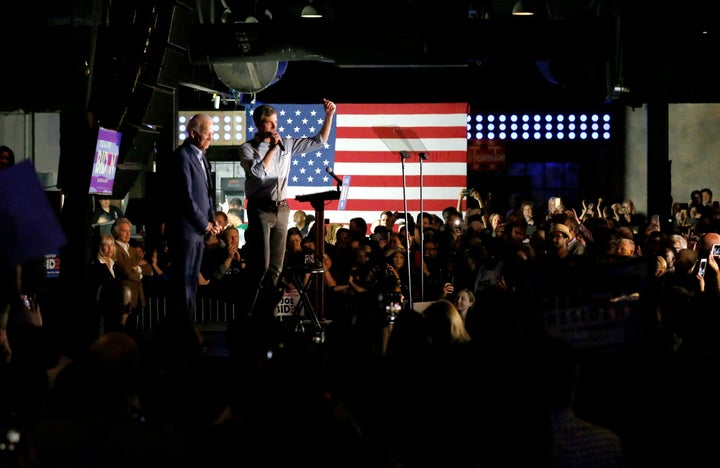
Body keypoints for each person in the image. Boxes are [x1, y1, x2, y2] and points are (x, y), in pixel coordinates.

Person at [239, 98, 336, 316]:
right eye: (269, 123)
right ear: (258, 125)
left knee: (276, 267)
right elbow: (257, 173)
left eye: (276, 122)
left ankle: (268, 314)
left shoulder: (288, 144)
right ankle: (248, 314)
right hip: (260, 209)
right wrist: (273, 149)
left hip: (281, 209)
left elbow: (319, 141)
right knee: (261, 265)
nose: (274, 127)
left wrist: (328, 116)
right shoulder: (248, 148)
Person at [164, 113, 222, 328]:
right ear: (193, 133)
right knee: (183, 285)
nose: (211, 139)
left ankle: (187, 330)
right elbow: (184, 197)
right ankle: (180, 333)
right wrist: (204, 223)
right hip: (185, 232)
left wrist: (212, 219)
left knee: (191, 284)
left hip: (198, 233)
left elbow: (206, 193)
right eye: (207, 134)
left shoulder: (201, 157)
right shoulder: (182, 156)